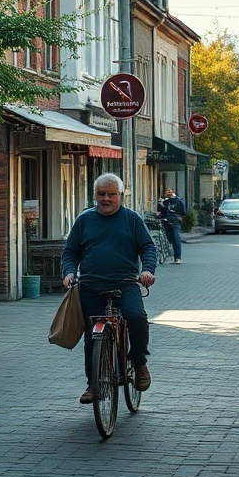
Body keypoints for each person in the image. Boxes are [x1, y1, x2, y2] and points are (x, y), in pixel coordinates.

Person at [61, 173, 157, 405]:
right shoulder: (84, 220)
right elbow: (70, 251)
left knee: (136, 317)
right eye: (101, 194)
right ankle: (93, 385)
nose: (106, 199)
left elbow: (147, 247)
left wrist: (147, 271)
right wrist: (69, 272)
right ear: (95, 195)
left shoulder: (132, 219)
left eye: (111, 194)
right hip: (91, 286)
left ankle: (139, 362)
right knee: (92, 335)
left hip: (125, 284)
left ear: (120, 196)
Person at [157, 187, 187, 264]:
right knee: (170, 238)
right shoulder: (164, 201)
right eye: (166, 191)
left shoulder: (178, 200)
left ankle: (177, 258)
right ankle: (173, 255)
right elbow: (161, 211)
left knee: (176, 239)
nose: (167, 193)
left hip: (175, 221)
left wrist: (174, 198)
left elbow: (183, 210)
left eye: (168, 191)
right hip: (166, 221)